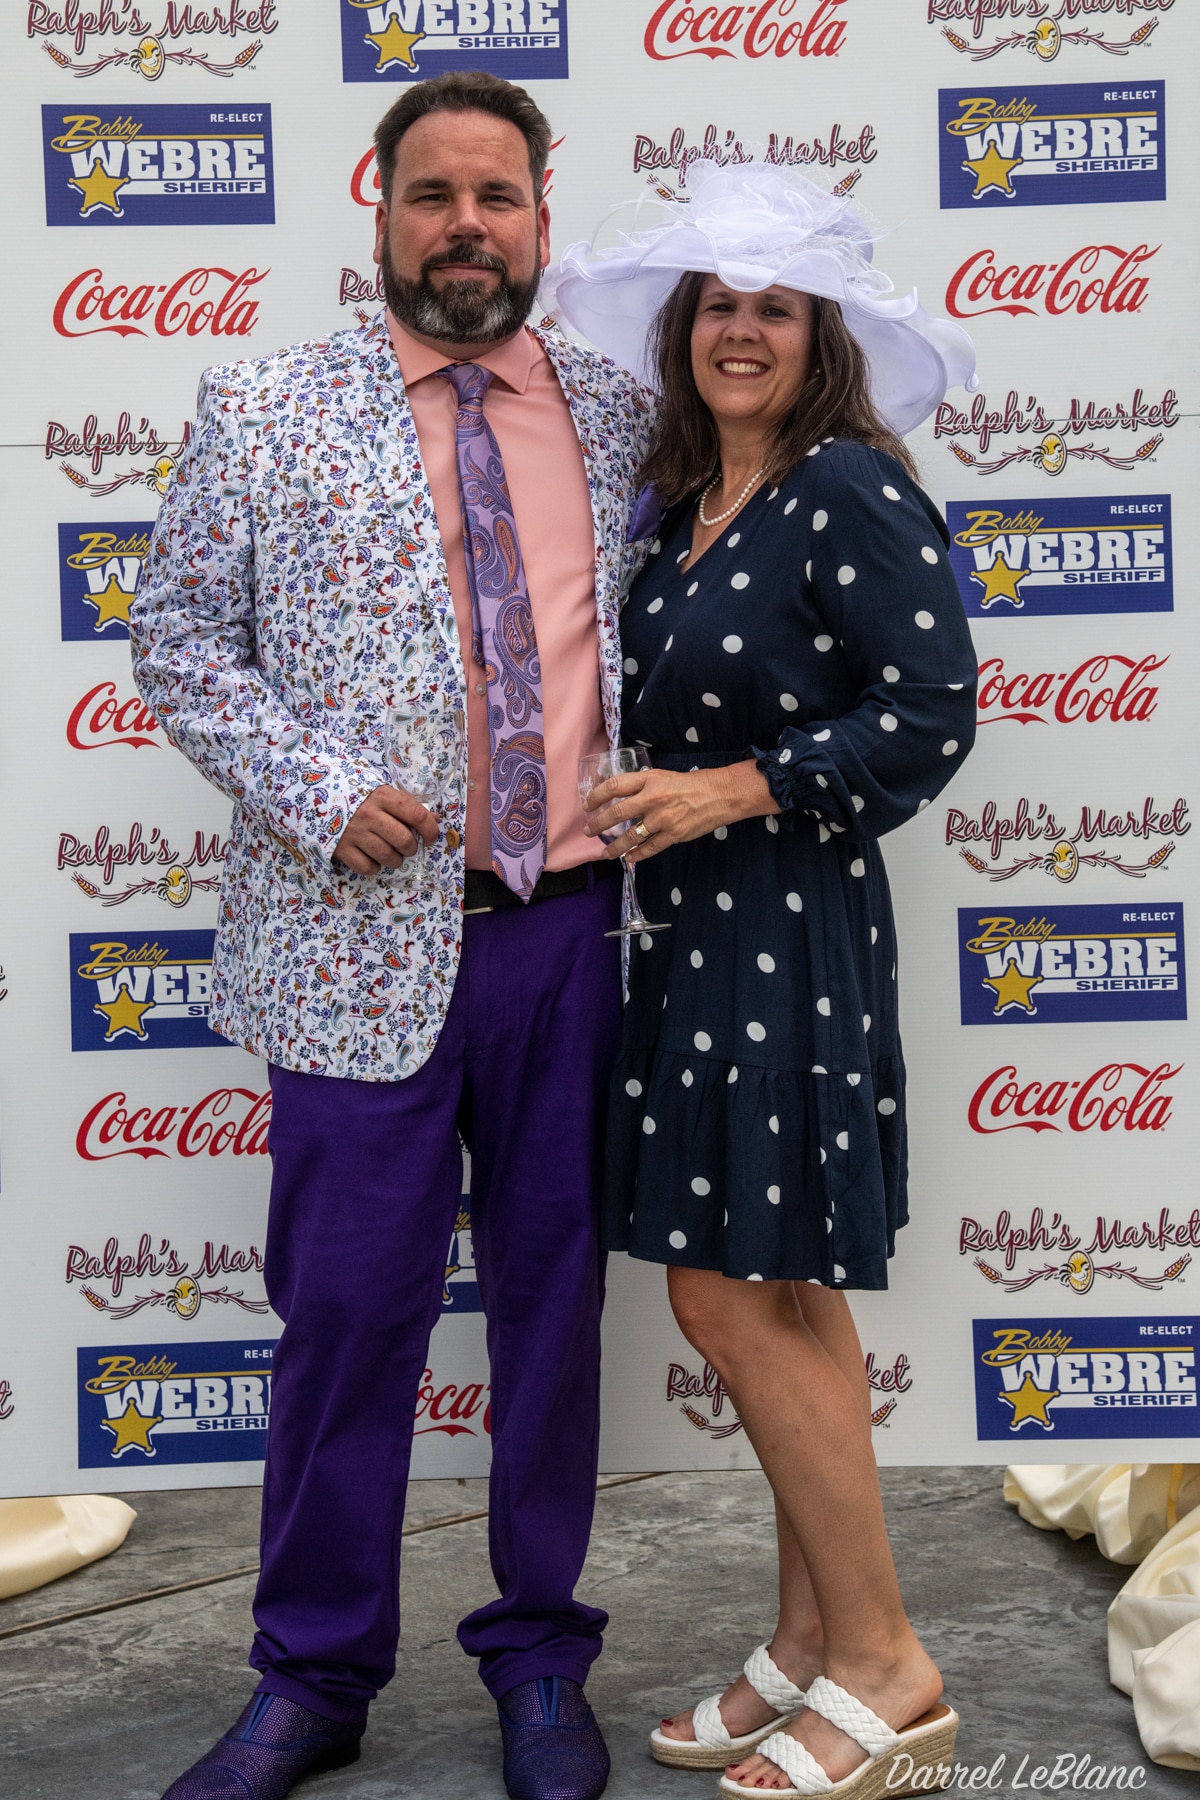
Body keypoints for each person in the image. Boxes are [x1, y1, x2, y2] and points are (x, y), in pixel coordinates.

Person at [130, 70, 650, 1800]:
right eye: (434, 196)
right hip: (352, 944)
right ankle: (313, 1674)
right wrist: (316, 785)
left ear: (542, 218)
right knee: (347, 1317)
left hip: (572, 941)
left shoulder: (621, 413)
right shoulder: (266, 403)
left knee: (554, 1315)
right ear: (381, 209)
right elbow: (178, 640)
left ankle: (542, 1656)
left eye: (497, 198)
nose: (466, 229)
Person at [551, 161, 978, 1799]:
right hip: (688, 941)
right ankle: (809, 1643)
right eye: (718, 304)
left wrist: (733, 790)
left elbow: (929, 712)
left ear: (823, 337)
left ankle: (887, 1666)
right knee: (786, 1287)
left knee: (727, 1296)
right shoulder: (682, 503)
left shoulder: (846, 484)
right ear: (686, 330)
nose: (741, 330)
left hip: (786, 931)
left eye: (775, 308)